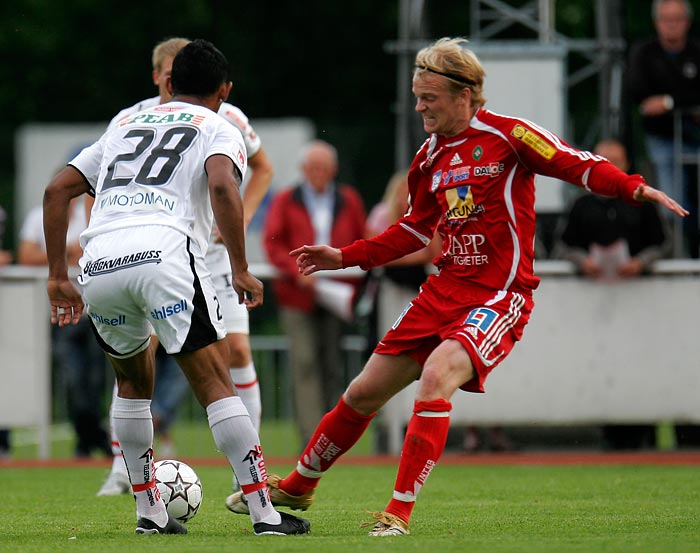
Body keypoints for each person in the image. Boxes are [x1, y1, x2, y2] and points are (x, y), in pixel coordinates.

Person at [225, 37, 688, 536]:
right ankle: (298, 485)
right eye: (417, 96)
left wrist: (632, 186)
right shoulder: (428, 157)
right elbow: (415, 229)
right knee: (362, 392)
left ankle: (397, 513)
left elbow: (575, 163)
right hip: (441, 292)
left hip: (499, 295)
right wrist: (347, 255)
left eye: (429, 97)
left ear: (465, 94)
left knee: (436, 377)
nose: (419, 106)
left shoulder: (509, 136)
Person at [43, 39, 309, 536]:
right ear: (224, 90)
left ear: (169, 83)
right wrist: (240, 265)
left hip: (100, 260)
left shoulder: (124, 123)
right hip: (164, 254)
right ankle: (264, 514)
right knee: (215, 382)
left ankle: (148, 512)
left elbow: (57, 190)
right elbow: (223, 186)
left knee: (131, 385)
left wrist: (59, 276)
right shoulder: (219, 124)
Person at [95, 37, 272, 496]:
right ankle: (125, 468)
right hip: (170, 252)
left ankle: (244, 469)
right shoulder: (130, 118)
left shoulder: (227, 119)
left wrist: (241, 218)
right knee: (146, 360)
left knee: (233, 353)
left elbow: (261, 169)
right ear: (160, 76)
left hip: (206, 253)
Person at [553, 138, 671, 450]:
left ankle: (644, 428)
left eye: (615, 161)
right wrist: (583, 262)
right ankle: (610, 429)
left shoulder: (641, 203)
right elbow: (562, 246)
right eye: (602, 161)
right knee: (602, 360)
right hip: (596, 305)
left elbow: (664, 244)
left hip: (639, 302)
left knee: (640, 362)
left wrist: (640, 262)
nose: (610, 168)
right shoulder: (581, 205)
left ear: (627, 165)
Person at [261, 140, 367, 448]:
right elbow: (273, 242)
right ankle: (312, 439)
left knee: (332, 365)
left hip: (338, 293)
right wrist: (297, 271)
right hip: (298, 295)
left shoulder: (348, 200)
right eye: (313, 167)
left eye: (324, 168)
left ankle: (333, 437)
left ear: (333, 170)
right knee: (305, 363)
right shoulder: (286, 199)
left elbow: (363, 239)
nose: (318, 173)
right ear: (303, 170)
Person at [18, 197, 112, 458]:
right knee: (72, 381)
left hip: (94, 311)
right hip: (60, 314)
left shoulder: (91, 212)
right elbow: (26, 255)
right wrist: (65, 252)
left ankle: (89, 440)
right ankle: (93, 438)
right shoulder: (39, 216)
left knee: (95, 381)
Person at [628, 0, 700, 257]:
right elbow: (638, 93)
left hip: (694, 136)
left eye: (677, 19)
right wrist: (681, 101)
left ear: (687, 22)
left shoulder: (695, 51)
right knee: (672, 198)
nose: (672, 25)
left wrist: (668, 101)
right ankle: (677, 253)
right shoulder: (644, 53)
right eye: (667, 19)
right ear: (657, 23)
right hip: (663, 138)